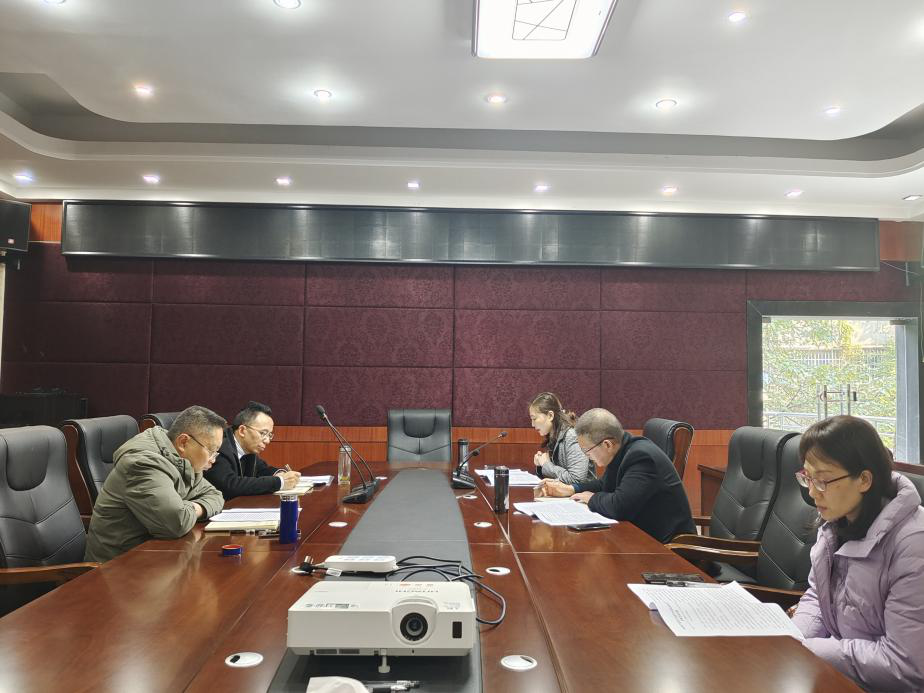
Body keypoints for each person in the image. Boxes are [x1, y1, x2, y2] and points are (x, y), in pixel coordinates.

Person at [790, 415, 924, 691]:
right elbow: (818, 596)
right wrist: (792, 638)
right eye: (807, 478)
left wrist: (808, 649)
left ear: (864, 479)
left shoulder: (914, 545)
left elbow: (905, 665)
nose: (812, 493)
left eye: (822, 480)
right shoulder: (837, 522)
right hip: (843, 675)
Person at [84, 405, 226, 563]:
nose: (213, 459)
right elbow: (176, 523)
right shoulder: (143, 463)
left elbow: (215, 495)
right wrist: (189, 508)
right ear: (183, 442)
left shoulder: (180, 459)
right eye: (211, 451)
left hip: (152, 556)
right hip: (116, 567)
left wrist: (191, 508)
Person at [536, 408, 694, 543]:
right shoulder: (622, 449)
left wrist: (591, 498)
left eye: (587, 451)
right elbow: (604, 484)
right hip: (642, 538)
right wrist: (572, 489)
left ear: (607, 444)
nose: (587, 456)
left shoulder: (641, 457)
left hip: (670, 551)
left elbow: (619, 507)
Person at [204, 401, 300, 500]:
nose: (267, 441)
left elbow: (262, 470)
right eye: (263, 433)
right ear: (242, 430)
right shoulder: (220, 445)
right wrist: (279, 482)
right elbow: (230, 485)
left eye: (269, 435)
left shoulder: (248, 449)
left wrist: (281, 474)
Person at [528, 392, 595, 484]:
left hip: (583, 492)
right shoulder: (554, 434)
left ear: (550, 416)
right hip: (563, 492)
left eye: (534, 418)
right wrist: (541, 465)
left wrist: (546, 464)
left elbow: (577, 479)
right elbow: (556, 476)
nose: (532, 424)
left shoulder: (572, 435)